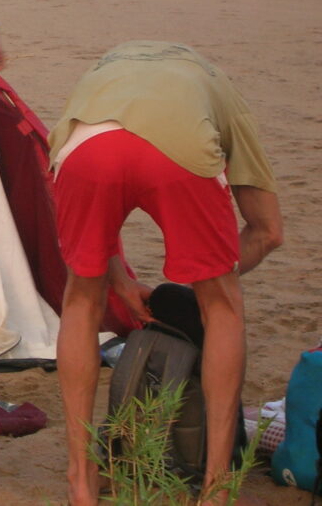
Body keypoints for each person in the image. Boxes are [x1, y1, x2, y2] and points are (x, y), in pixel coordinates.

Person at [48, 40, 283, 506]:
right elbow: (267, 231)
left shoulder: (99, 76)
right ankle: (216, 489)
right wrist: (212, 281)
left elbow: (88, 219)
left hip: (83, 150)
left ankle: (81, 482)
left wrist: (118, 280)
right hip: (179, 152)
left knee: (80, 298)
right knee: (224, 309)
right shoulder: (217, 86)